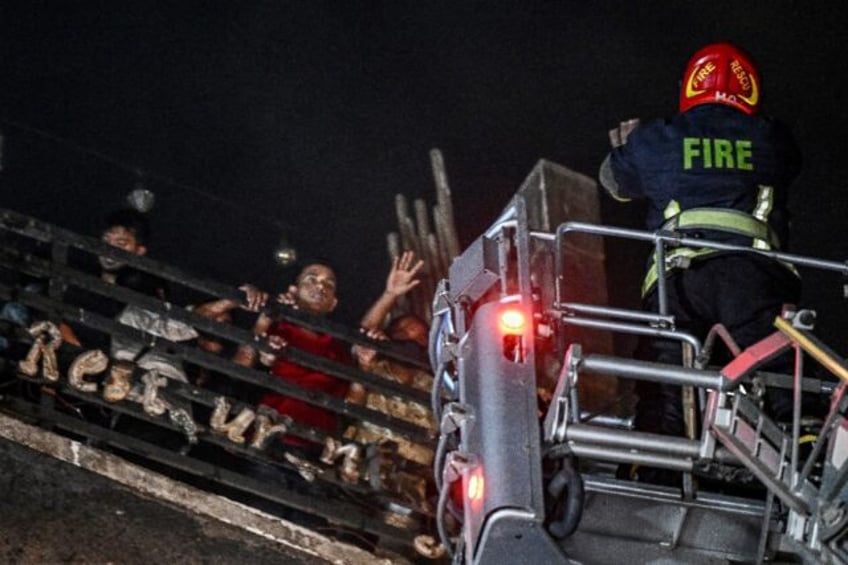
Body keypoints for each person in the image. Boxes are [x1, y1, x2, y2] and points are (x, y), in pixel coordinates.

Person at [598, 43, 802, 478]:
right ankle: (803, 445)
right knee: (775, 368)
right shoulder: (770, 135)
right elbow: (789, 166)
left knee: (666, 377)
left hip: (677, 281)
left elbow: (615, 182)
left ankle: (653, 468)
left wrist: (629, 145)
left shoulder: (657, 137)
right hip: (751, 278)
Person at [236, 260, 364, 459]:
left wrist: (363, 365)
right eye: (311, 279)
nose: (320, 286)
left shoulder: (340, 350)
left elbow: (349, 407)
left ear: (333, 303)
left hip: (317, 447)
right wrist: (268, 315)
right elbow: (240, 366)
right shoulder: (275, 327)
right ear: (293, 291)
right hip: (269, 436)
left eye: (329, 285)